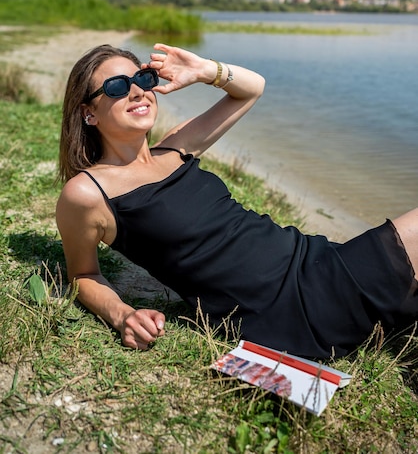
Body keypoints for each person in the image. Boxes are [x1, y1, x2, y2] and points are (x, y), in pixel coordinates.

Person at [56, 43, 418, 359]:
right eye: (118, 86)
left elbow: (252, 88)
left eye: (144, 79)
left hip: (314, 258)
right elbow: (83, 274)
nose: (137, 91)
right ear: (89, 112)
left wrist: (204, 70)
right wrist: (122, 315)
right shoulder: (88, 193)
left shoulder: (176, 147)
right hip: (289, 304)